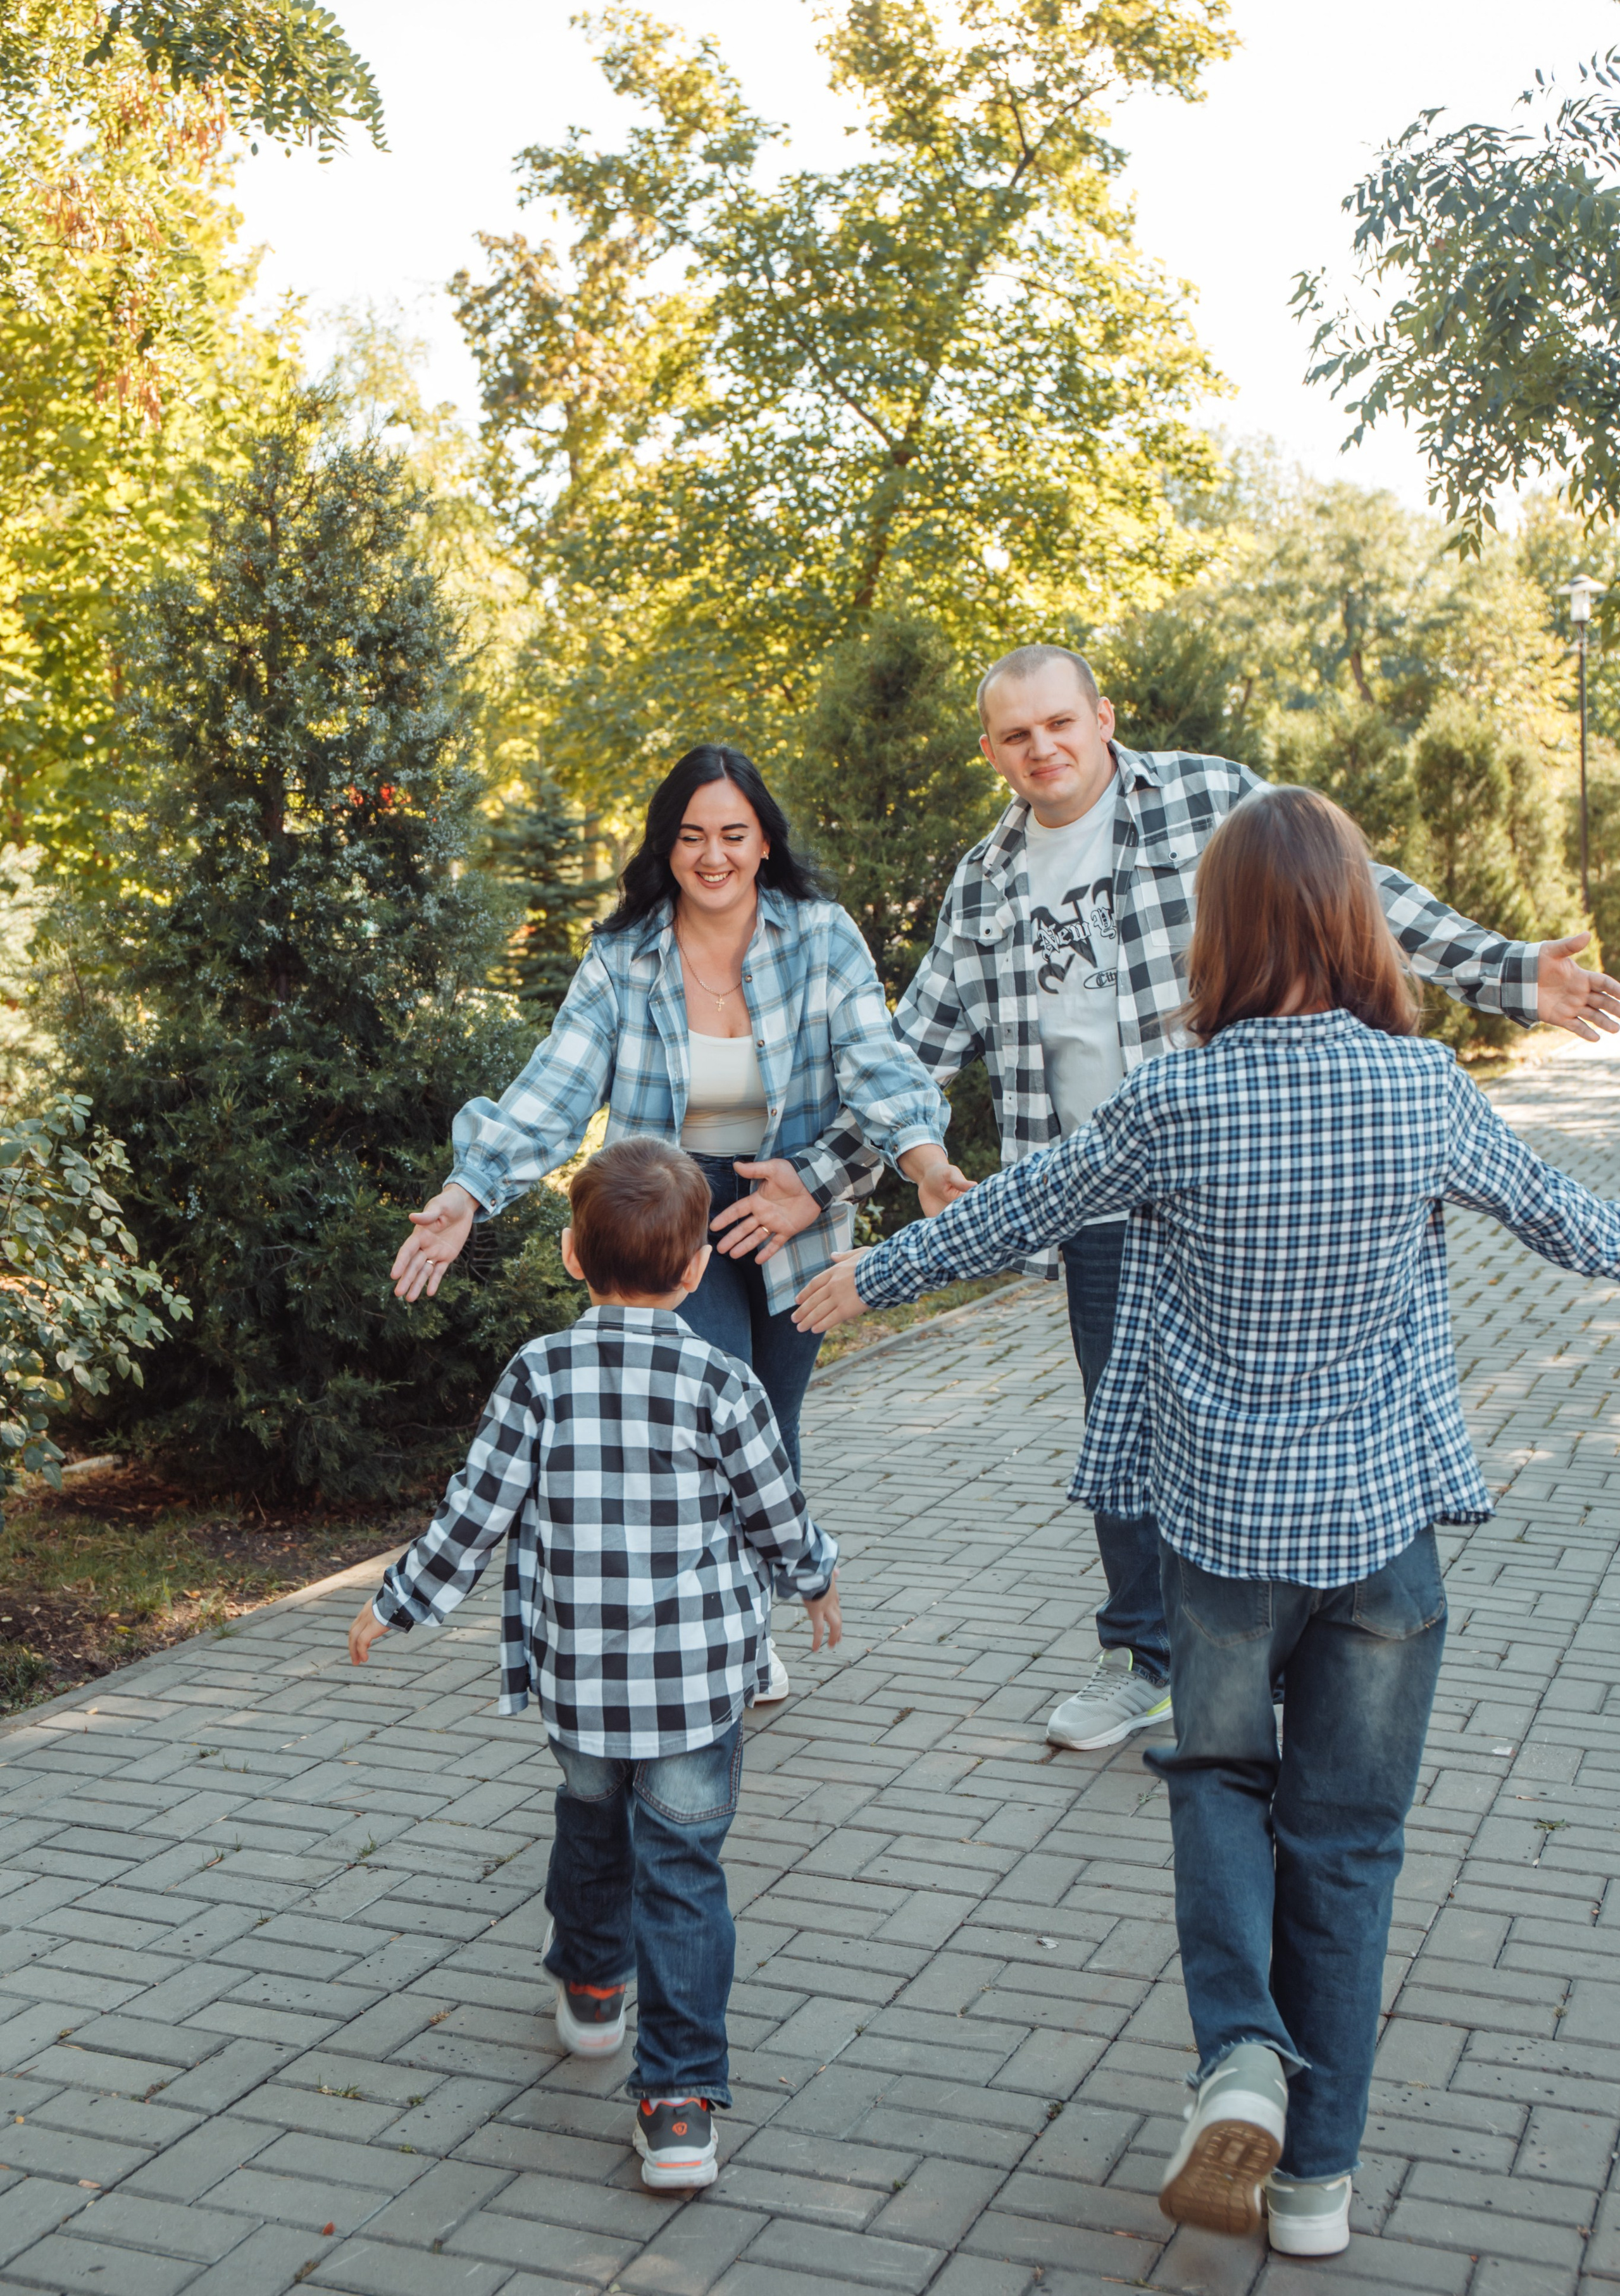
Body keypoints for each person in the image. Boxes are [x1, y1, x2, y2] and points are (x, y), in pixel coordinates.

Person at [795, 786, 1620, 2260]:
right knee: (1350, 1845)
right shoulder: (1420, 1091)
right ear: (1355, 922)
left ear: (1218, 928)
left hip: (1223, 1539)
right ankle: (1316, 2186)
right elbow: (1580, 1232)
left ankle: (1237, 2054)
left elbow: (1018, 1209)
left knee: (1219, 1780)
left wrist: (872, 1274)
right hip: (1380, 1543)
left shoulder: (1175, 1100)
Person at [859, 644, 1620, 1754]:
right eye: (1018, 736)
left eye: (1061, 723)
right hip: (1095, 1187)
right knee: (1123, 1428)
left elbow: (1351, 887)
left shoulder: (1211, 798)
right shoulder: (985, 882)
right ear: (994, 752)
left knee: (1264, 1405)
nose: (1044, 748)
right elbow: (909, 1050)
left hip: (1241, 1160)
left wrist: (1505, 971)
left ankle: (1271, 1641)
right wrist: (829, 1172)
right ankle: (1151, 1660)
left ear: (1102, 717)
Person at [388, 742, 967, 1699]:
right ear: (666, 847)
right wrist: (468, 1190)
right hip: (669, 1215)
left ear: (765, 842)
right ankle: (710, 1648)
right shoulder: (625, 957)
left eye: (734, 835)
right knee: (690, 1426)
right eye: (692, 836)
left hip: (794, 1208)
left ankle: (741, 1622)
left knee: (764, 1432)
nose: (714, 856)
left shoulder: (822, 937)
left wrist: (924, 1161)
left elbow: (877, 1067)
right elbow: (555, 1090)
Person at [352, 1138, 842, 2192]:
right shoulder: (726, 1381)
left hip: (578, 1681)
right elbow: (775, 1510)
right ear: (699, 1268)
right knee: (685, 1874)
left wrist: (398, 1603)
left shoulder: (540, 1373)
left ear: (573, 1256)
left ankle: (587, 1981)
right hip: (699, 1687)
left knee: (588, 1818)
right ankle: (676, 2106)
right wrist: (815, 1580)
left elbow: (475, 1511)